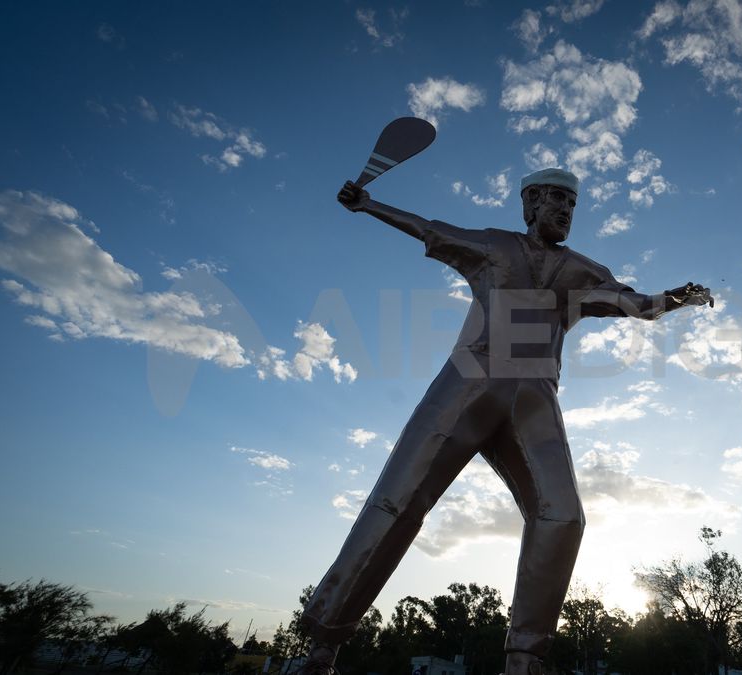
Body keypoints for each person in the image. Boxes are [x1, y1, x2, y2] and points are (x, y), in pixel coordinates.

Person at [298, 168, 712, 675]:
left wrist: (675, 297)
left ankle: (525, 657)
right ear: (530, 204)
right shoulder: (495, 248)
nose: (565, 210)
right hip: (470, 379)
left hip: (534, 396)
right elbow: (431, 229)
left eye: (572, 203)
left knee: (563, 515)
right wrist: (368, 204)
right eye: (556, 199)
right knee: (399, 499)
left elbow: (635, 303)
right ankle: (324, 641)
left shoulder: (584, 272)